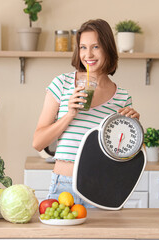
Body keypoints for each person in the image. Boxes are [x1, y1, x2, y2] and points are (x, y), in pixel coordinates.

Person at [32, 19, 140, 208]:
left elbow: (124, 157)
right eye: (83, 47)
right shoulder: (62, 83)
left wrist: (134, 129)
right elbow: (38, 142)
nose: (88, 54)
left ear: (107, 48)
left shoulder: (122, 97)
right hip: (64, 187)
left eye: (95, 47)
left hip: (103, 187)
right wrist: (69, 114)